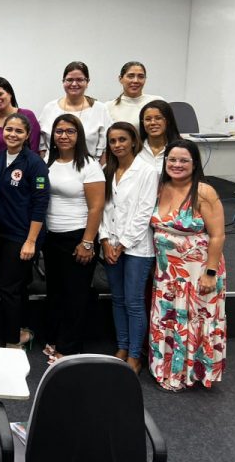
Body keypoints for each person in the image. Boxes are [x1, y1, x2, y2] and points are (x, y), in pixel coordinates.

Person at [149, 140, 226, 392]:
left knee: (194, 321)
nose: (177, 165)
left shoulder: (204, 191)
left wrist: (210, 272)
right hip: (167, 273)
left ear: (194, 164)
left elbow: (217, 236)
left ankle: (192, 373)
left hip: (199, 271)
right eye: (172, 159)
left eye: (184, 161)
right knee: (170, 319)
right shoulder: (160, 187)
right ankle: (168, 371)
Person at [43, 114, 105, 363]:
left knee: (75, 295)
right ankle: (58, 338)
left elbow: (96, 207)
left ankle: (69, 348)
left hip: (78, 237)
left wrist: (88, 241)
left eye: (70, 131)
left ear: (78, 136)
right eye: (59, 131)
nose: (64, 136)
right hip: (52, 237)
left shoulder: (89, 165)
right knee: (56, 292)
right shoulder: (48, 163)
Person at [99, 122, 158, 374]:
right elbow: (102, 208)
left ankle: (135, 355)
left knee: (133, 301)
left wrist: (122, 244)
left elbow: (144, 212)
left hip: (136, 247)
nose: (117, 145)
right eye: (113, 141)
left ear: (133, 141)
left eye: (122, 140)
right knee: (118, 299)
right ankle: (122, 346)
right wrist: (104, 241)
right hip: (110, 244)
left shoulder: (147, 170)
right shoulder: (107, 169)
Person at [0, 113, 49, 349]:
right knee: (18, 285)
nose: (12, 134)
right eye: (8, 129)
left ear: (27, 135)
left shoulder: (34, 163)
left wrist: (31, 241)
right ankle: (22, 330)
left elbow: (41, 203)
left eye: (18, 131)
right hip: (2, 233)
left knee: (8, 287)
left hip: (23, 235)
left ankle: (13, 342)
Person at [38, 62, 113, 160]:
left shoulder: (99, 109)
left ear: (87, 82)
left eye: (79, 80)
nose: (74, 84)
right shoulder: (50, 108)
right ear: (63, 81)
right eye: (69, 80)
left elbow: (105, 149)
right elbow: (42, 146)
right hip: (53, 168)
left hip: (88, 169)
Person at [0, 77, 41, 163]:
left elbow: (34, 148)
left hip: (22, 171)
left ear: (10, 93)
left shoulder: (27, 115)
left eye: (0, 94)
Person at [105, 62, 162, 130]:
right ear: (120, 79)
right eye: (130, 76)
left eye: (141, 76)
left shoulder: (157, 102)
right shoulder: (108, 107)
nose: (135, 80)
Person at [137, 99, 181, 176]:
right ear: (142, 122)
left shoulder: (182, 149)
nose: (153, 123)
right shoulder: (135, 149)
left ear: (168, 120)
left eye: (158, 118)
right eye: (148, 119)